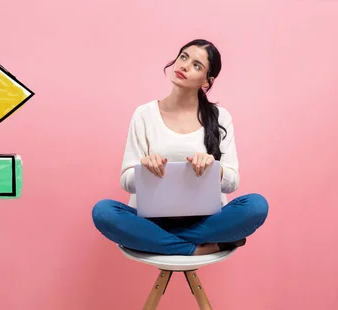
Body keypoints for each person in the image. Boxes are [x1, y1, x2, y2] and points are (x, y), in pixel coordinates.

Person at [91, 39, 269, 256]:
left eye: (197, 65)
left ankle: (159, 243)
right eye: (183, 57)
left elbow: (232, 181)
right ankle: (194, 249)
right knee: (103, 212)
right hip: (151, 221)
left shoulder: (221, 117)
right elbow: (126, 181)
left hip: (205, 221)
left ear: (207, 81)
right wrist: (143, 167)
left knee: (257, 206)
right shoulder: (144, 114)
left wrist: (215, 168)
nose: (184, 65)